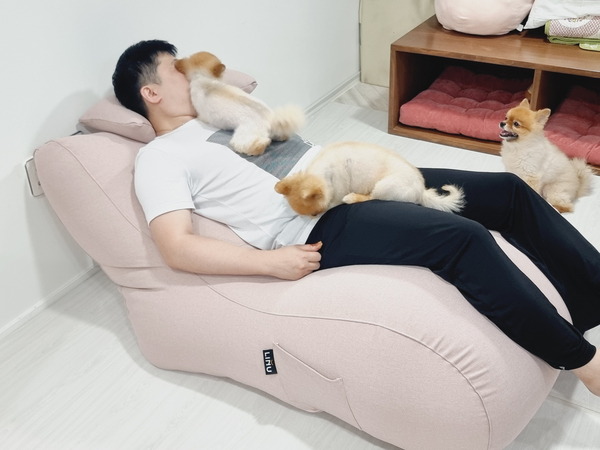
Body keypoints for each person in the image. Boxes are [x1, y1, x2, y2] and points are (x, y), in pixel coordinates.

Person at [113, 39, 600, 396]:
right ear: (151, 93)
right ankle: (582, 363)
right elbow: (175, 246)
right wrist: (269, 263)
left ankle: (592, 297)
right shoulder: (160, 156)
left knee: (509, 192)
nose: (191, 73)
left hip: (358, 174)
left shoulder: (222, 113)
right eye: (176, 69)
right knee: (463, 238)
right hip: (318, 220)